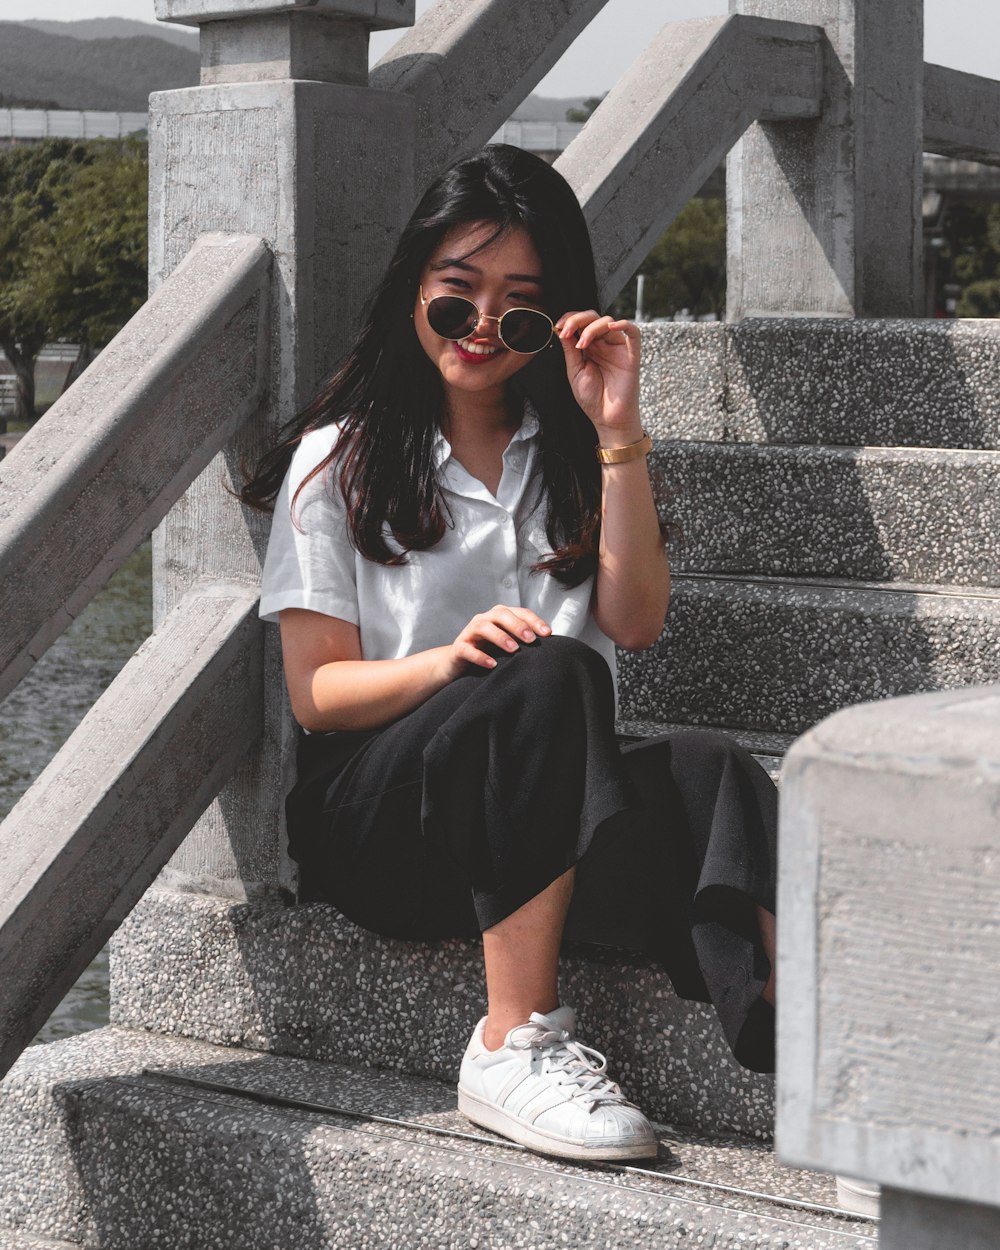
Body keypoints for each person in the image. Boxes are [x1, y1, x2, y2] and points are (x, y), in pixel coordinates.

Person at [242, 144, 777, 1165]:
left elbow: (635, 620)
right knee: (544, 671)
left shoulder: (572, 455)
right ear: (413, 293)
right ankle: (512, 1040)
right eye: (456, 298)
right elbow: (317, 693)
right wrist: (451, 660)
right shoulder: (340, 458)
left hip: (537, 827)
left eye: (519, 309)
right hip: (381, 822)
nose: (483, 328)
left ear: (556, 321)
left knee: (710, 765)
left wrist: (616, 428)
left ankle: (809, 1034)